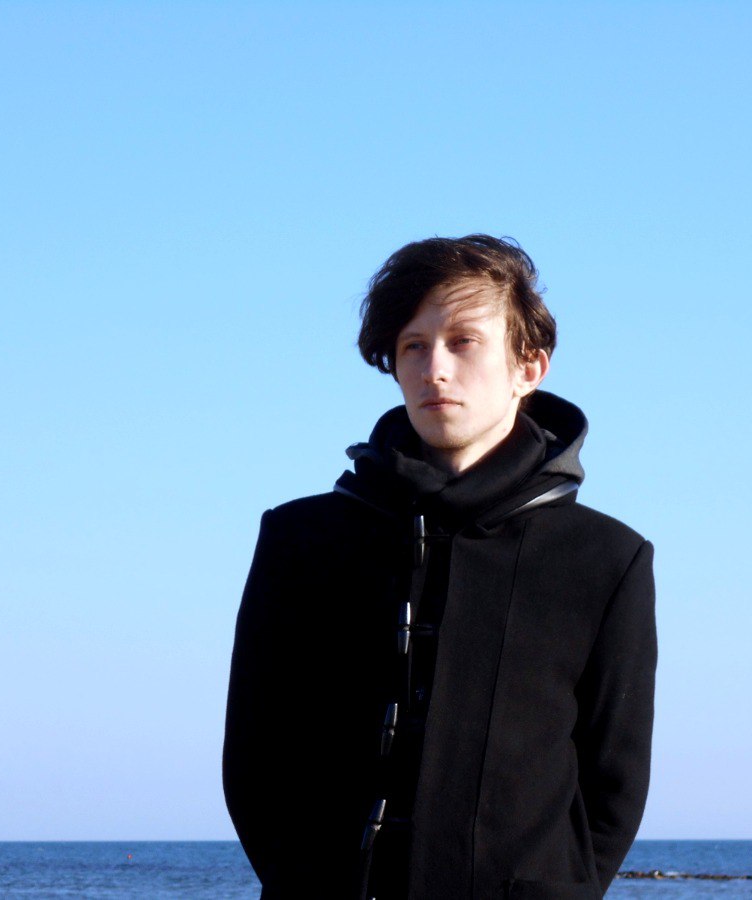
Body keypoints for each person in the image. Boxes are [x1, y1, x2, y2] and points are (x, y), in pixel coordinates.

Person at [223, 235, 657, 900]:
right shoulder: (300, 539)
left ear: (528, 367)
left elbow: (613, 782)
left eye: (463, 342)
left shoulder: (606, 558)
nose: (435, 368)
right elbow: (255, 756)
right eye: (414, 346)